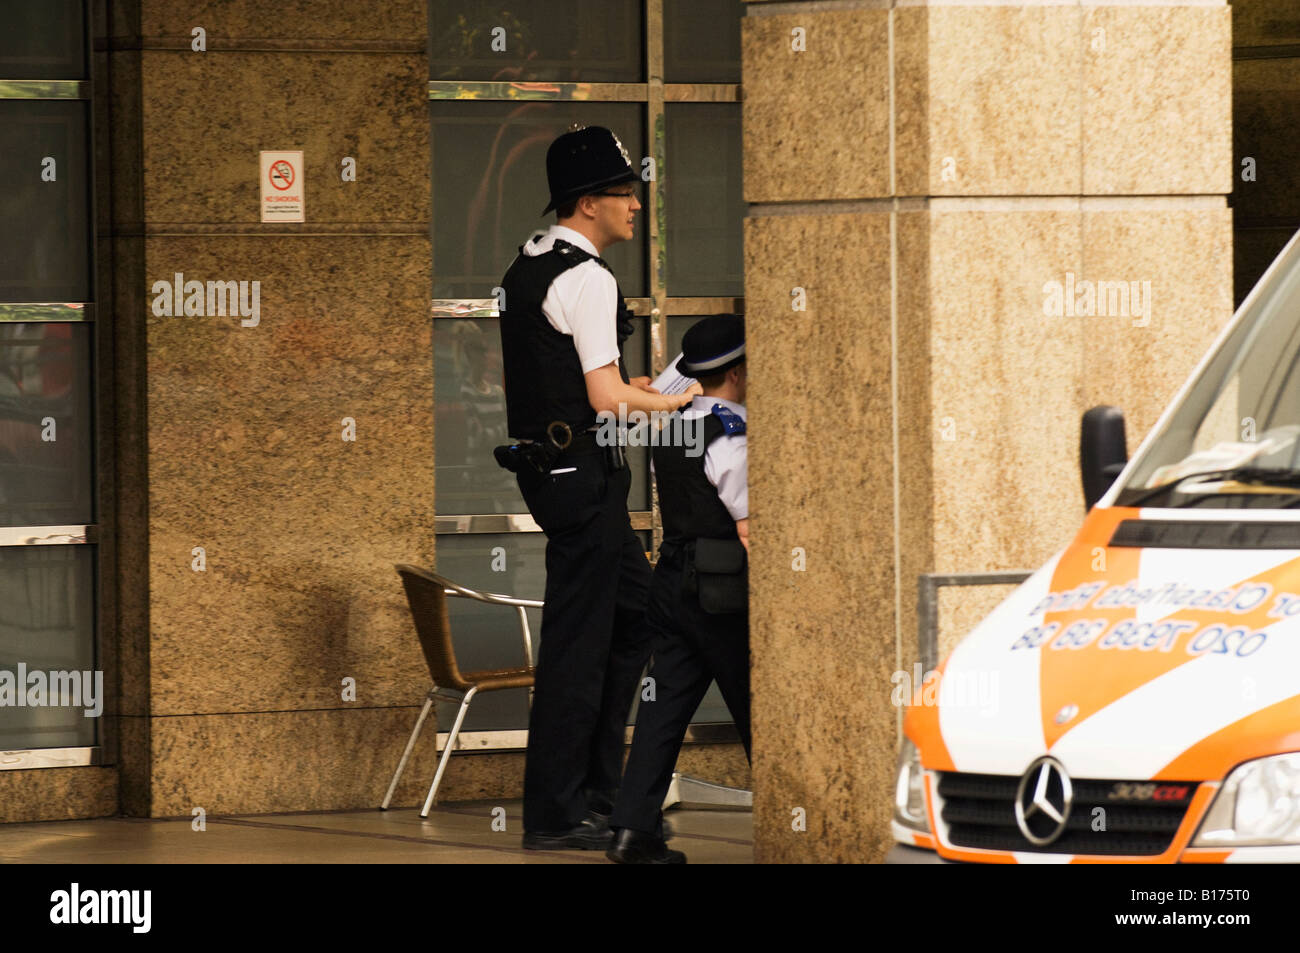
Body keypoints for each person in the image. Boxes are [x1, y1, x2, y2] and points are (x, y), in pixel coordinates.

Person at [496, 124, 694, 850]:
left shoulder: (534, 260)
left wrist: (632, 390)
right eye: (624, 192)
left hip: (564, 471)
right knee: (579, 644)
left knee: (635, 617)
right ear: (587, 203)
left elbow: (589, 385)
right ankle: (556, 810)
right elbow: (608, 401)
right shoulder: (588, 276)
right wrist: (671, 403)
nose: (636, 204)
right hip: (584, 477)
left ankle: (603, 789)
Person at [606, 315, 751, 864]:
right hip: (723, 592)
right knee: (760, 706)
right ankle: (801, 821)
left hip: (672, 584)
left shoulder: (677, 425)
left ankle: (632, 831)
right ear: (737, 373)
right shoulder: (732, 434)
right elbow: (747, 522)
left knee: (663, 710)